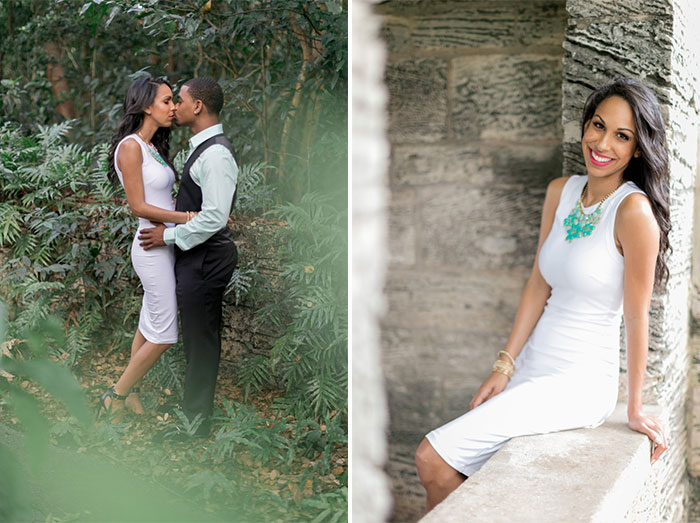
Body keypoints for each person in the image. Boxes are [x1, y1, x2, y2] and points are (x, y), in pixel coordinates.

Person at [414, 77, 672, 512]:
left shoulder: (633, 212)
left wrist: (634, 408)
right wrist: (505, 365)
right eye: (597, 125)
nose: (602, 142)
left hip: (578, 382)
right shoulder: (562, 190)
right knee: (462, 474)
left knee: (431, 457)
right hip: (533, 365)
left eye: (621, 136)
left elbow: (638, 315)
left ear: (638, 149)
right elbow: (539, 282)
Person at [139, 77, 238, 438]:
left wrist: (168, 235)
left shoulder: (215, 155)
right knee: (196, 339)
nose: (174, 106)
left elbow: (213, 218)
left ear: (197, 106)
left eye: (178, 100)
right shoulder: (203, 149)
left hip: (208, 258)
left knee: (202, 340)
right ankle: (191, 411)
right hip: (197, 256)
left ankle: (196, 425)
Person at [103, 76, 197, 418]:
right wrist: (188, 217)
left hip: (166, 245)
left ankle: (131, 394)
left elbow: (161, 196)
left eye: (174, 101)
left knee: (148, 327)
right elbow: (139, 207)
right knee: (165, 335)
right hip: (149, 246)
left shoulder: (153, 148)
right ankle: (114, 395)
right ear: (146, 106)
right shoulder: (130, 146)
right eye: (167, 101)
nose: (174, 107)